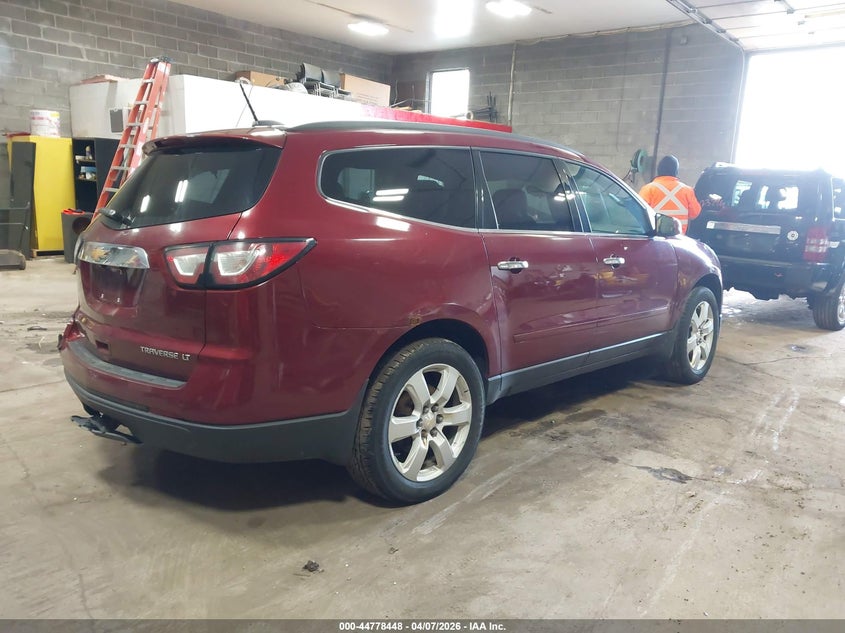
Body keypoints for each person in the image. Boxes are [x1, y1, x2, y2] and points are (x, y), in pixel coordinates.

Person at [639, 155, 701, 234]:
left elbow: (639, 214)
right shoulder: (687, 190)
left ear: (659, 170)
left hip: (654, 239)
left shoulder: (648, 189)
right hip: (678, 239)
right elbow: (694, 214)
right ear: (676, 171)